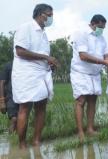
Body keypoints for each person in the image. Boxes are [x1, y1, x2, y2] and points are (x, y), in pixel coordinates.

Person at [12, 3, 58, 149]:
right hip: (26, 74)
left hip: (41, 74)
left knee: (41, 106)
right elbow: (20, 51)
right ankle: (22, 144)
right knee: (24, 107)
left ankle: (37, 140)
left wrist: (50, 63)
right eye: (49, 15)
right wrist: (45, 57)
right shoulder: (26, 28)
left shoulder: (44, 34)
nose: (51, 18)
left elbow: (43, 57)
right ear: (40, 14)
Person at [70, 14, 108, 140]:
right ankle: (80, 132)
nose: (101, 29)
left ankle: (90, 129)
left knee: (93, 101)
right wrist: (103, 62)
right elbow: (83, 56)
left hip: (95, 73)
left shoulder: (102, 38)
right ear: (93, 23)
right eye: (100, 27)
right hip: (81, 72)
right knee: (81, 100)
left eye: (103, 27)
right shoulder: (81, 34)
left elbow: (106, 55)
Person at [0, 62, 19, 133]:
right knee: (14, 119)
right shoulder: (8, 65)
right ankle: (11, 138)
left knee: (20, 119)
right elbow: (1, 82)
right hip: (10, 96)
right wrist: (2, 101)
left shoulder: (26, 65)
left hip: (23, 96)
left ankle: (16, 138)